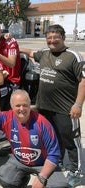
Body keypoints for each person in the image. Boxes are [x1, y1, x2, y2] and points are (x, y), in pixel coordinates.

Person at [20, 24, 85, 187]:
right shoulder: (44, 54)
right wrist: (14, 44)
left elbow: (83, 81)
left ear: (63, 37)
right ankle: (59, 163)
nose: (52, 41)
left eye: (56, 37)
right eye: (49, 38)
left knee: (72, 141)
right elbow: (30, 52)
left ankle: (77, 172)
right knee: (54, 139)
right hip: (45, 107)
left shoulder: (73, 56)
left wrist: (78, 104)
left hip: (66, 109)